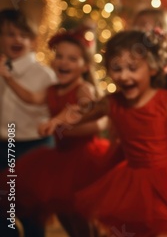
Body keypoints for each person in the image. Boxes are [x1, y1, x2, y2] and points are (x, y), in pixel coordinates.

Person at [74, 30, 167, 236]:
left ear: (152, 68)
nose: (124, 76)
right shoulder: (112, 102)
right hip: (132, 185)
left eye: (132, 68)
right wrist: (57, 121)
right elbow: (81, 114)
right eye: (116, 68)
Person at [0, 27, 111, 236]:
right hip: (59, 159)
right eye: (59, 56)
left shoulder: (82, 89)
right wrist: (8, 78)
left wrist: (57, 123)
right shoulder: (52, 89)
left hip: (84, 159)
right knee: (65, 215)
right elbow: (30, 98)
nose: (63, 62)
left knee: (83, 219)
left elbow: (85, 110)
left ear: (85, 66)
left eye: (72, 59)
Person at [0, 8, 57, 237]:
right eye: (10, 34)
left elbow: (39, 104)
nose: (17, 39)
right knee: (4, 210)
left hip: (33, 146)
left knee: (31, 212)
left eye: (23, 35)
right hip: (5, 145)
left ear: (33, 40)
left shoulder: (43, 75)